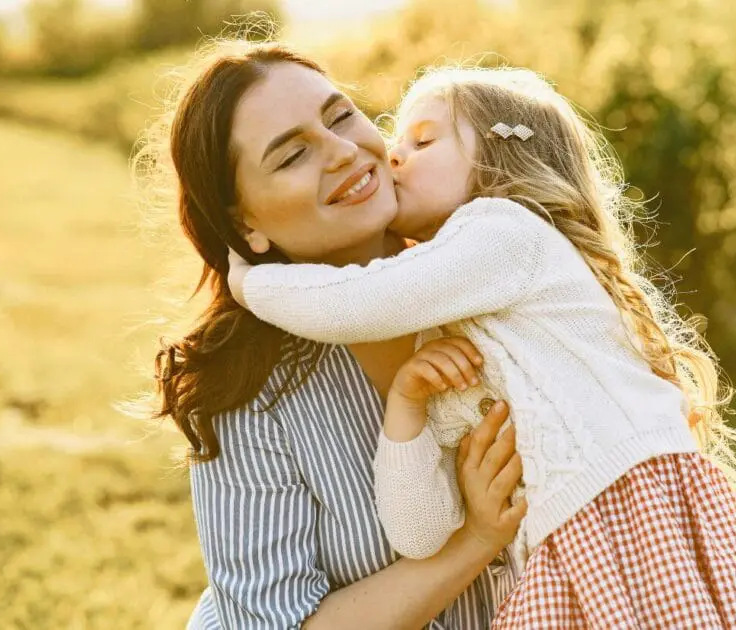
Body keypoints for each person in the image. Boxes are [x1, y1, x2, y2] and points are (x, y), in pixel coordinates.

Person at [228, 66, 736, 628]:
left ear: (497, 162)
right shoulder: (447, 336)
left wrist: (251, 283)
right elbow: (419, 533)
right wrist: (406, 407)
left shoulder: (506, 231)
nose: (393, 155)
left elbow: (358, 302)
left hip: (634, 528)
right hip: (568, 569)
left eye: (423, 141)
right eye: (399, 138)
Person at [140, 41, 527, 629]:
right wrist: (474, 541)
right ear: (246, 224)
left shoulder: (498, 272)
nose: (344, 151)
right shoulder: (243, 389)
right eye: (293, 155)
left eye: (341, 116)